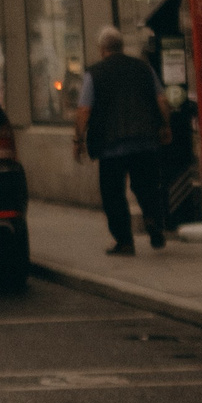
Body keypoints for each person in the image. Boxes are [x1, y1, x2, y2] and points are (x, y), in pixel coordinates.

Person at [76, 25, 172, 255]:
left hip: (110, 146)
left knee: (113, 195)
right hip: (144, 140)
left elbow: (84, 111)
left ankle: (125, 241)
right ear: (121, 46)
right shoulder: (143, 68)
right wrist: (165, 125)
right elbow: (161, 99)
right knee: (148, 186)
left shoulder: (94, 74)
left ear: (102, 49)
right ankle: (153, 222)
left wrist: (78, 140)